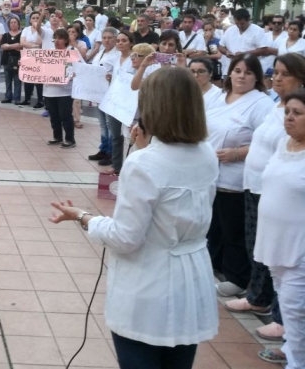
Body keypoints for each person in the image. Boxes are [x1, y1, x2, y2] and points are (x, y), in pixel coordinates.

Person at [49, 66, 219, 369]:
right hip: (191, 280)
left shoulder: (144, 164)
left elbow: (125, 237)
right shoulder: (205, 153)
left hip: (149, 285)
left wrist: (86, 217)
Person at [205, 54, 275, 298]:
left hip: (237, 177)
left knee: (234, 229)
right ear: (229, 73)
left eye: (248, 72)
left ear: (256, 77)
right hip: (211, 174)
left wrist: (238, 152)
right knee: (215, 226)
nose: (241, 76)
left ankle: (237, 277)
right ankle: (217, 266)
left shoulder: (261, 104)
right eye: (237, 71)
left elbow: (267, 140)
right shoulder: (220, 98)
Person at [254, 88, 305, 368]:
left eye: (297, 113)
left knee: (296, 310)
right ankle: (293, 353)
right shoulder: (284, 144)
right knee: (287, 306)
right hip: (274, 243)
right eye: (287, 112)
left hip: (299, 247)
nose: (289, 118)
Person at [103, 33, 139, 176]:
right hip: (114, 101)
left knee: (131, 136)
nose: (120, 43)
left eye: (124, 41)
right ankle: (116, 165)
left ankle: (132, 165)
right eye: (117, 41)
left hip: (129, 102)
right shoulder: (115, 58)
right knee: (115, 135)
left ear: (131, 43)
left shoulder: (135, 59)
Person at [88, 27, 121, 166]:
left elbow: (119, 74)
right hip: (99, 92)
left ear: (115, 39)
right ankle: (104, 147)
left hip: (110, 92)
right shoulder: (100, 52)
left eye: (110, 38)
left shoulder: (117, 55)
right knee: (102, 123)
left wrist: (110, 77)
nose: (106, 40)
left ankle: (111, 152)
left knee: (109, 124)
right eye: (105, 37)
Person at [44, 29, 80, 148]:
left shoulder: (72, 53)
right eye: (55, 38)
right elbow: (37, 64)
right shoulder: (49, 52)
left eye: (60, 38)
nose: (57, 41)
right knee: (54, 115)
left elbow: (79, 67)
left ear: (66, 40)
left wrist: (74, 73)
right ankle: (57, 137)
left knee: (65, 116)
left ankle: (70, 139)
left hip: (65, 91)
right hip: (49, 90)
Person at [20, 11, 54, 108]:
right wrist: (34, 46)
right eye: (33, 18)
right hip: (27, 56)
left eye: (37, 18)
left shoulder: (44, 30)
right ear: (30, 20)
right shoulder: (26, 29)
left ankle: (40, 100)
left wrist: (36, 29)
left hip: (39, 57)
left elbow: (40, 42)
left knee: (38, 79)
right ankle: (27, 98)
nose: (35, 20)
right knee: (28, 77)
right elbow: (22, 42)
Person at [0, 17, 22, 104]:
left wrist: (8, 46)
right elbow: (3, 46)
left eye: (15, 22)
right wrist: (14, 46)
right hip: (6, 59)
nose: (13, 24)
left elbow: (21, 47)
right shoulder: (5, 35)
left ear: (18, 24)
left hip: (18, 60)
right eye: (11, 22)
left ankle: (17, 98)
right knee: (7, 80)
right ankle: (8, 97)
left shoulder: (21, 35)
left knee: (17, 80)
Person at [202, 21, 224, 86]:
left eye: (210, 29)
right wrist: (206, 40)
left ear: (214, 29)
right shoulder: (201, 40)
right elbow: (201, 51)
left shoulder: (218, 41)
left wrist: (206, 56)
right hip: (204, 65)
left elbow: (218, 55)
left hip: (215, 65)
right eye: (206, 30)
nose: (208, 31)